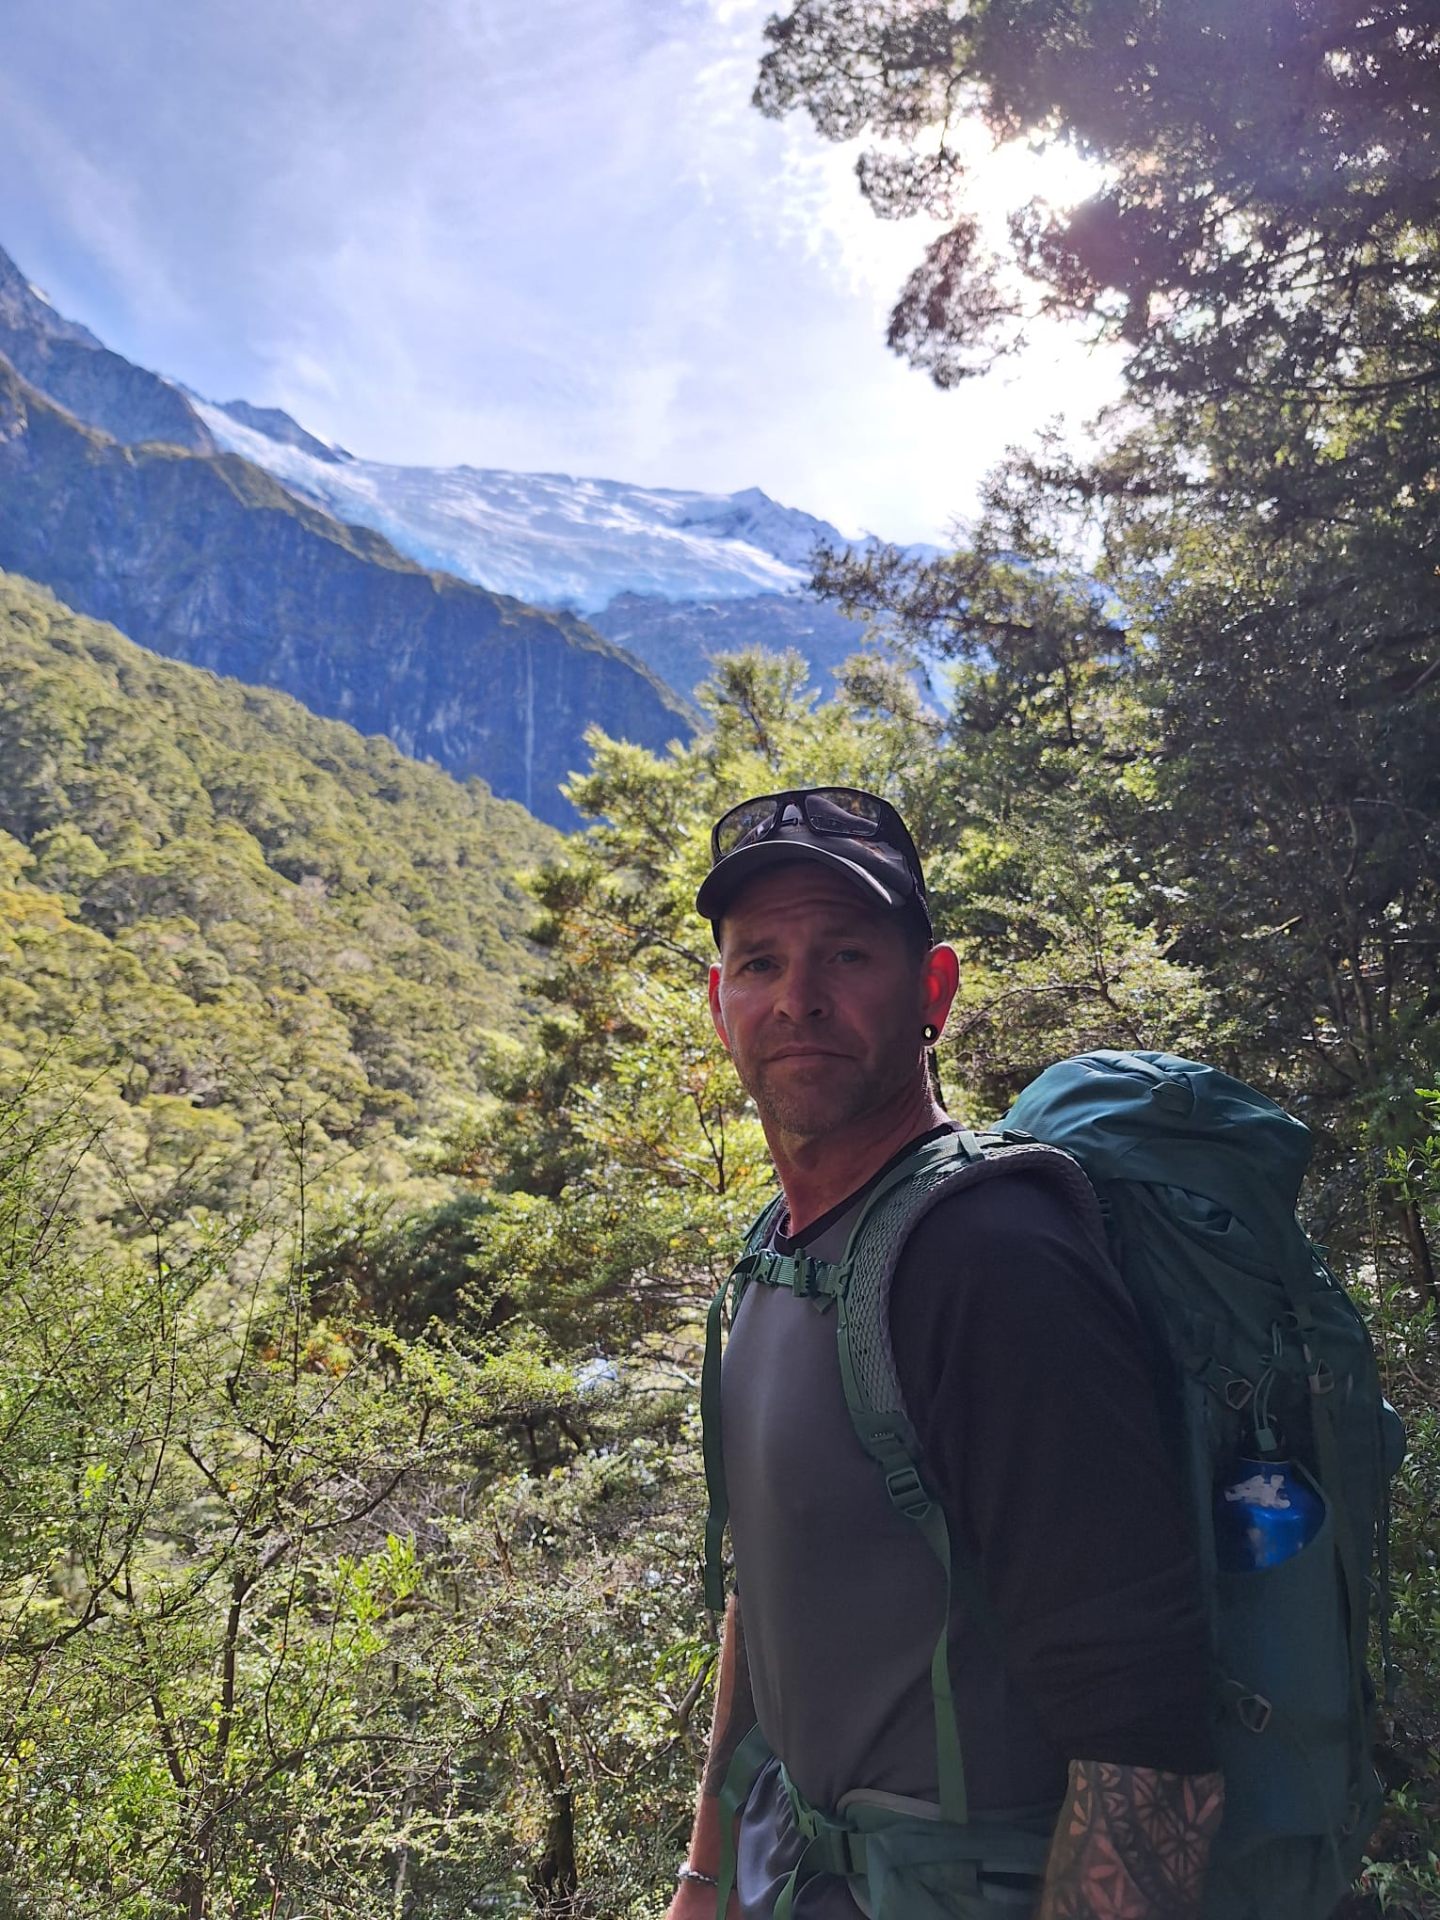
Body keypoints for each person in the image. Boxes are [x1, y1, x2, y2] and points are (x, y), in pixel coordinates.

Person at [667, 787, 1225, 1920]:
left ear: (935, 989)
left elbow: (1147, 1735)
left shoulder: (989, 1260)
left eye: (848, 953)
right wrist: (706, 1877)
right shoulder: (780, 1251)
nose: (800, 1000)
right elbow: (770, 1600)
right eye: (762, 962)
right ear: (720, 1001)